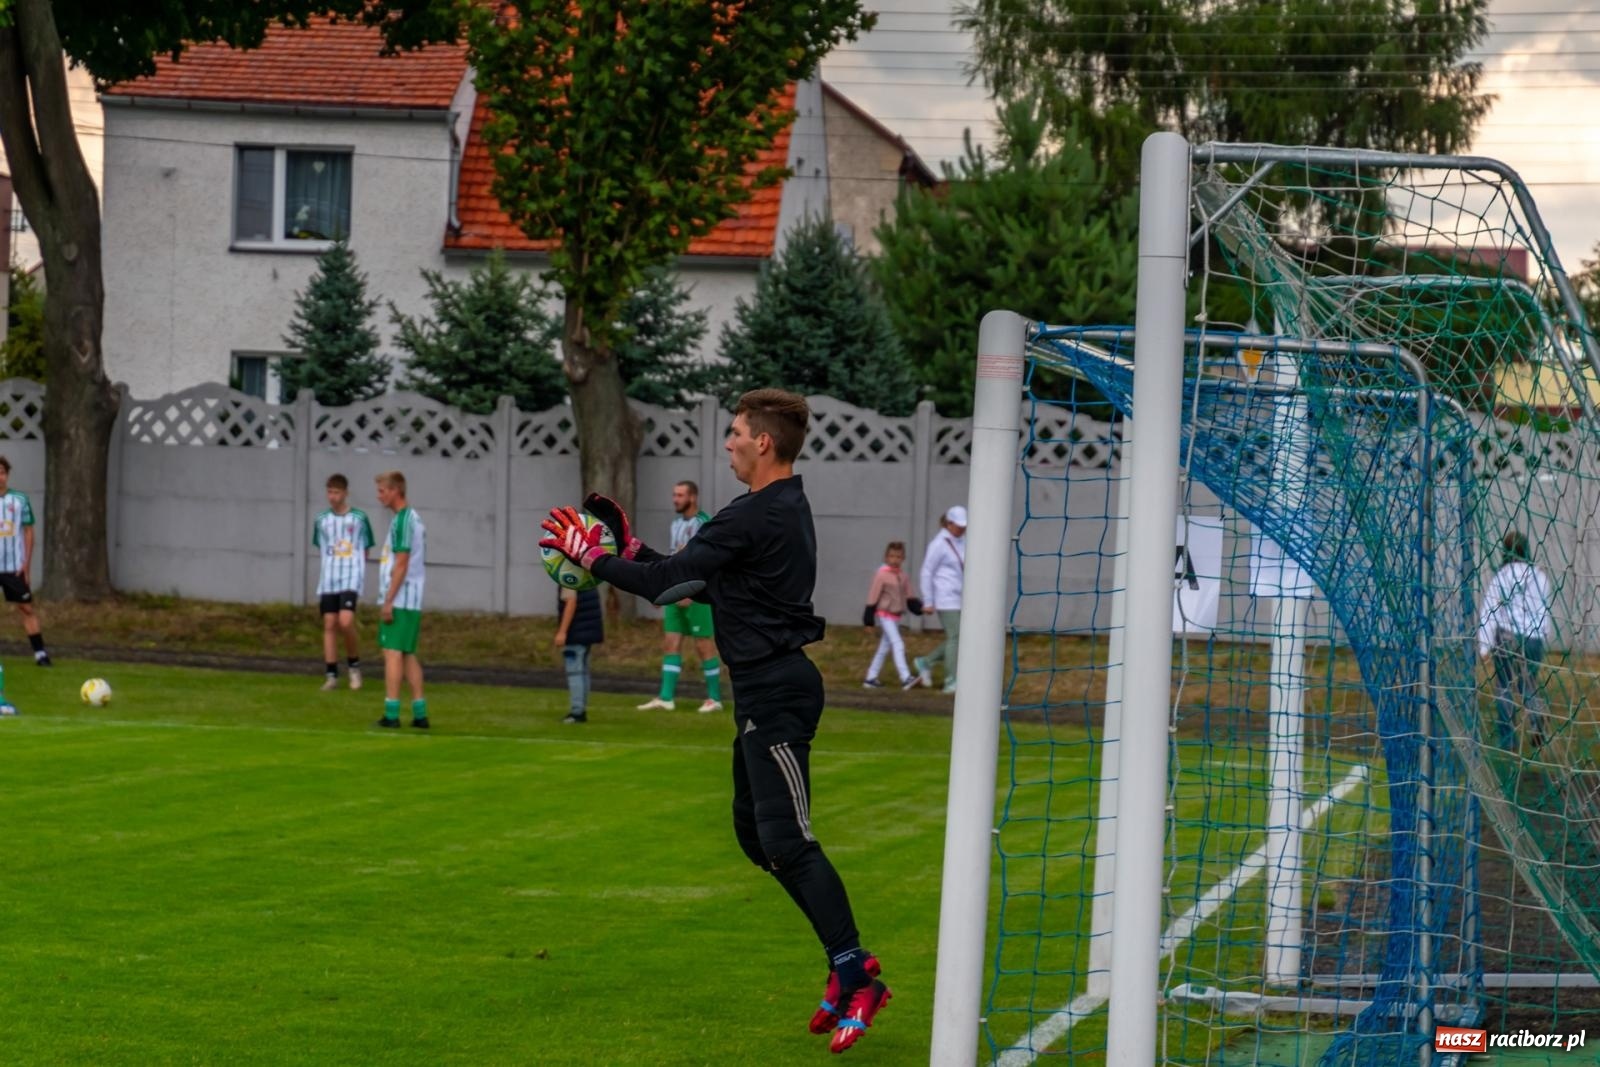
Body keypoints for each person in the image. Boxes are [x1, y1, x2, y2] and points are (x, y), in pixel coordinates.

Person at [539, 389, 891, 1053]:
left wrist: (593, 558)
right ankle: (844, 961)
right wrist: (632, 546)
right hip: (760, 693)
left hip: (778, 692)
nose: (726, 441)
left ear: (764, 442)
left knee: (788, 839)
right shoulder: (769, 510)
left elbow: (667, 586)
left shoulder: (758, 513)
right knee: (754, 835)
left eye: (734, 432)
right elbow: (688, 576)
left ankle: (854, 970)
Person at [637, 480, 725, 714]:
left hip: (697, 595)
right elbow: (673, 560)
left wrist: (692, 591)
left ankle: (714, 698)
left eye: (680, 495)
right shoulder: (676, 524)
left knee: (704, 645)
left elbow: (704, 561)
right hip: (675, 594)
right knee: (671, 642)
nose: (675, 499)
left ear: (693, 497)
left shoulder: (703, 523)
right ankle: (666, 698)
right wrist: (663, 590)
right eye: (674, 495)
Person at [1476, 529, 1552, 751]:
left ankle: (1508, 741)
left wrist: (1484, 646)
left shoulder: (1503, 575)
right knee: (1528, 685)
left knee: (1505, 686)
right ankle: (1537, 716)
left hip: (1508, 636)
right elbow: (1544, 610)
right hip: (1534, 638)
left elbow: (1490, 610)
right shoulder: (1540, 576)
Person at [374, 471, 428, 730]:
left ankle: (392, 712)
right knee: (407, 654)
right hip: (410, 598)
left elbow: (402, 563)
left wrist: (388, 600)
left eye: (382, 490)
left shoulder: (405, 520)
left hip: (402, 598)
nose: (379, 495)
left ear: (396, 490)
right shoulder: (408, 519)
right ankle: (420, 713)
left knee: (392, 653)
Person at [312, 473, 375, 691]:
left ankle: (354, 667)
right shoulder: (321, 520)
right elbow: (321, 547)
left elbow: (366, 548)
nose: (332, 497)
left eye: (336, 492)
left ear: (345, 493)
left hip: (350, 577)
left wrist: (356, 570)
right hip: (329, 578)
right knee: (329, 623)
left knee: (346, 622)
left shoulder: (359, 518)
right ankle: (331, 675)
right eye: (329, 492)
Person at [0, 456, 50, 666]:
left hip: (14, 567)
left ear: (7, 475)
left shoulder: (19, 500)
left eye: (1, 472)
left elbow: (29, 532)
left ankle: (40, 654)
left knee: (26, 608)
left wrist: (26, 566)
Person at [915, 505, 967, 693]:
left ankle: (926, 661)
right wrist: (928, 601)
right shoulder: (938, 544)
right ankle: (951, 680)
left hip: (962, 597)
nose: (962, 529)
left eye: (964, 526)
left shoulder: (964, 541)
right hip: (946, 598)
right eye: (959, 525)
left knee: (961, 638)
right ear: (949, 523)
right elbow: (927, 572)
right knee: (956, 637)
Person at [861, 540, 922, 690]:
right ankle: (905, 677)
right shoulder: (881, 575)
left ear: (903, 558)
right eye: (892, 556)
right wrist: (868, 621)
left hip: (896, 616)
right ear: (886, 557)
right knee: (898, 643)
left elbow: (910, 598)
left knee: (884, 647)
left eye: (898, 557)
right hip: (884, 615)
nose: (895, 560)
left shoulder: (903, 576)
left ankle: (870, 677)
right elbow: (872, 597)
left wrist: (921, 609)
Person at [555, 585, 604, 724]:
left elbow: (571, 601)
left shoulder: (568, 576)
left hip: (576, 630)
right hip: (589, 629)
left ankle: (577, 711)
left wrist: (562, 631)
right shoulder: (587, 573)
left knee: (575, 672)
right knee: (583, 671)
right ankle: (581, 707)